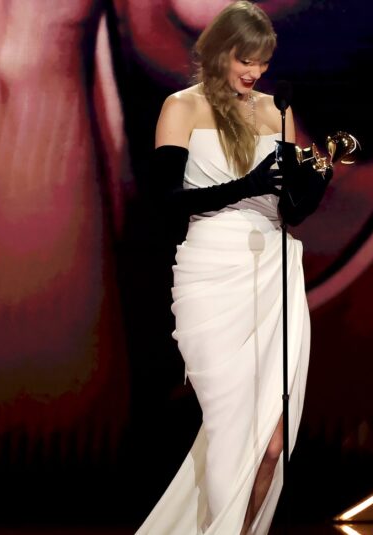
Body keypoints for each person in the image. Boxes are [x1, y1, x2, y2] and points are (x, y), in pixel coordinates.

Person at [136, 2, 327, 533]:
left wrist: (315, 184)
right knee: (229, 429)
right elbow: (166, 200)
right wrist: (246, 186)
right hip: (210, 276)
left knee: (271, 443)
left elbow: (289, 209)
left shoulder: (275, 113)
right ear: (218, 50)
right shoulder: (182, 108)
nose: (255, 72)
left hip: (273, 275)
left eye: (263, 62)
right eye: (246, 59)